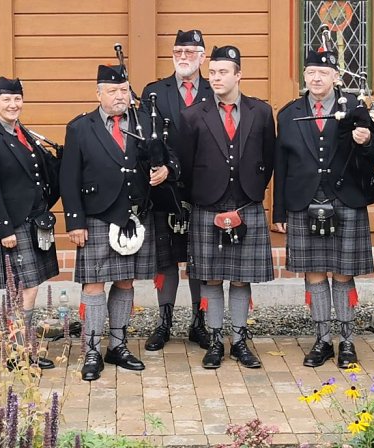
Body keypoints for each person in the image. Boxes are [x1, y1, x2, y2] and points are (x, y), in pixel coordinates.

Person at [60, 65, 178, 381]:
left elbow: (166, 159)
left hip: (135, 215)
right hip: (98, 216)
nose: (119, 96)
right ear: (98, 94)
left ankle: (118, 345)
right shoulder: (80, 128)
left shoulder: (144, 123)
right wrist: (75, 222)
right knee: (94, 285)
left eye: (124, 90)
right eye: (112, 91)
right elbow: (68, 179)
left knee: (126, 281)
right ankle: (92, 351)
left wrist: (164, 169)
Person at [273, 49, 374, 369]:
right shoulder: (289, 113)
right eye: (310, 72)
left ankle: (347, 341)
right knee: (315, 275)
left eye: (323, 72)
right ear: (304, 77)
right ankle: (322, 339)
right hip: (303, 201)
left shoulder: (357, 108)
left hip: (345, 199)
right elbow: (282, 164)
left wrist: (365, 139)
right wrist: (279, 212)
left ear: (337, 76)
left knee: (344, 275)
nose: (316, 78)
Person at [177, 46, 275, 369]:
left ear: (238, 75)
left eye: (223, 72)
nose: (216, 78)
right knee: (211, 279)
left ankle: (241, 339)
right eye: (213, 72)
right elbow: (185, 166)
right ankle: (216, 340)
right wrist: (203, 196)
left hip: (247, 202)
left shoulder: (260, 112)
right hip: (208, 205)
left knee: (241, 278)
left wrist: (254, 189)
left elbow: (269, 159)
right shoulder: (193, 115)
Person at [0, 76, 59, 370]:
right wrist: (3, 229)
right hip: (13, 223)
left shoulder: (22, 132)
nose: (13, 104)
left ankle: (21, 348)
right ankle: (18, 352)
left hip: (34, 220)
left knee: (28, 287)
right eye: (7, 99)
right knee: (26, 288)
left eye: (17, 99)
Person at [140, 29, 214, 351]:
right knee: (166, 259)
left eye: (190, 51)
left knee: (199, 258)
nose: (183, 57)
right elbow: (143, 139)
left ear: (202, 56)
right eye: (178, 51)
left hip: (204, 189)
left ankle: (199, 323)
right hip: (165, 188)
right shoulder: (154, 91)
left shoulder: (215, 91)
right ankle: (164, 321)